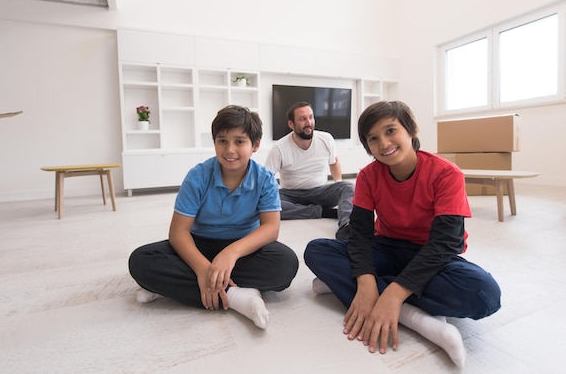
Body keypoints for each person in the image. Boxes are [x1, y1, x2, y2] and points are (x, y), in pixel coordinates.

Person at [303, 101, 501, 367]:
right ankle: (413, 316)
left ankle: (369, 293)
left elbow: (445, 244)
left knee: (484, 295)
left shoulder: (446, 174)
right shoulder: (368, 176)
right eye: (373, 138)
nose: (383, 143)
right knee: (317, 250)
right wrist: (365, 280)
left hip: (431, 256)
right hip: (386, 247)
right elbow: (360, 234)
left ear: (412, 130)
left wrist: (394, 292)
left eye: (390, 131)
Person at [128, 105, 299, 329]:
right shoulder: (198, 176)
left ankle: (172, 288)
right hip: (199, 244)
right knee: (141, 260)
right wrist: (202, 269)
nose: (229, 150)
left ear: (255, 145)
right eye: (222, 141)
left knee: (286, 266)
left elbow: (270, 229)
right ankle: (237, 297)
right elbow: (178, 232)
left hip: (242, 248)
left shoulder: (264, 179)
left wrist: (231, 253)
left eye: (239, 141)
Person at [264, 101, 354, 240]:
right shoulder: (279, 147)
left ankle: (346, 224)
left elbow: (334, 162)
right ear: (291, 124)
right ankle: (322, 212)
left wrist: (338, 183)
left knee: (348, 187)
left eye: (311, 117)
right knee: (264, 201)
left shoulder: (326, 139)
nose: (309, 122)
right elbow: (266, 177)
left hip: (320, 192)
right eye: (302, 119)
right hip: (290, 195)